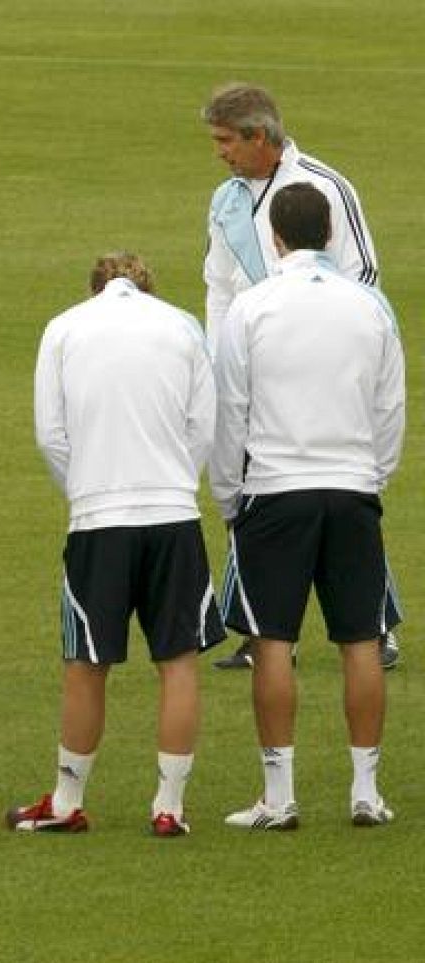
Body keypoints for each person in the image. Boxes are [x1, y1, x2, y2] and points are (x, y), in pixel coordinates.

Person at [6, 255, 223, 838]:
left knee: (86, 664)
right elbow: (204, 424)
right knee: (177, 662)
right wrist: (178, 481)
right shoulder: (182, 326)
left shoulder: (64, 327)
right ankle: (169, 807)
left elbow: (51, 434)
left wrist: (84, 491)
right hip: (173, 514)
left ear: (95, 286)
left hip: (97, 519)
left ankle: (66, 800)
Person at [212, 185, 405, 830]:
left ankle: (279, 796)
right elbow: (389, 407)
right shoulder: (370, 306)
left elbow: (230, 409)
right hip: (352, 487)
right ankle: (366, 792)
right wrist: (373, 477)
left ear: (276, 238)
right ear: (328, 232)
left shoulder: (251, 306)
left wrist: (228, 495)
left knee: (272, 641)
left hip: (274, 487)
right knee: (361, 639)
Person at [199, 81, 393, 670]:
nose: (221, 152)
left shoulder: (325, 187)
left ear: (261, 136)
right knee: (249, 479)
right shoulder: (227, 198)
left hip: (319, 363)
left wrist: (309, 336)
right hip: (249, 355)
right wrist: (219, 356)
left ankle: (376, 626)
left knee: (342, 483)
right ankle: (260, 629)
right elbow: (218, 284)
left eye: (227, 140)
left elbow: (364, 276)